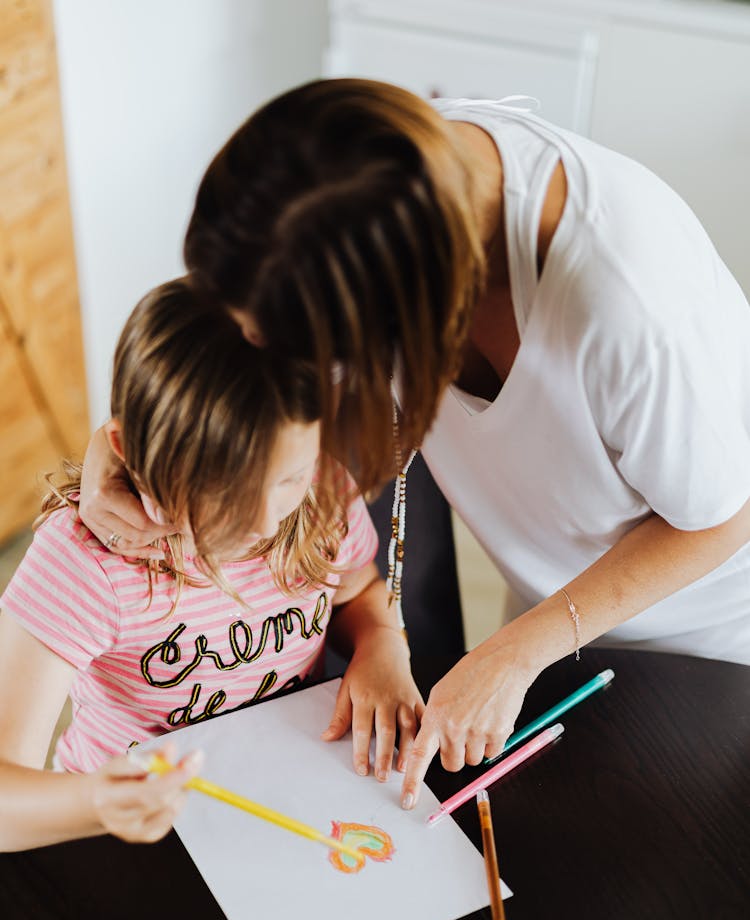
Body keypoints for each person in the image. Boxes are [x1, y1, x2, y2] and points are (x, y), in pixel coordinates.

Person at [76, 79, 750, 811]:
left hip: (707, 647)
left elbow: (722, 516)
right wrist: (138, 448)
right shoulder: (376, 196)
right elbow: (221, 366)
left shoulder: (630, 298)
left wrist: (516, 650)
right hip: (554, 610)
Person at [0, 277, 422, 851]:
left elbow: (355, 588)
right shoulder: (85, 562)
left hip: (286, 801)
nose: (268, 522)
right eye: (227, 498)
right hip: (134, 836)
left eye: (291, 478)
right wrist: (96, 803)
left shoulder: (323, 491)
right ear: (126, 449)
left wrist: (380, 641)